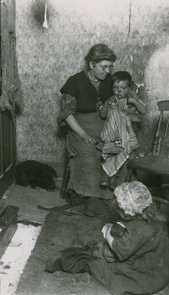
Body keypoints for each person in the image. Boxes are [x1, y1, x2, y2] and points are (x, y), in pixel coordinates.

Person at [45, 181, 169, 295]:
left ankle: (65, 260)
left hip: (142, 277)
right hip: (158, 272)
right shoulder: (151, 221)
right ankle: (88, 252)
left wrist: (107, 232)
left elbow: (121, 251)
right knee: (102, 250)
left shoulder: (137, 230)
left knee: (98, 262)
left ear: (127, 211)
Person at [58, 43, 116, 216]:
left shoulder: (110, 82)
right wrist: (83, 135)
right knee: (89, 152)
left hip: (103, 126)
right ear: (92, 65)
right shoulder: (74, 82)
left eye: (110, 67)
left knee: (118, 148)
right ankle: (92, 200)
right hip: (79, 127)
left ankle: (109, 197)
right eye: (104, 67)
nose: (108, 71)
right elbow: (67, 114)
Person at [99, 71, 147, 190]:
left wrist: (134, 102)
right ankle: (107, 177)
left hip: (128, 136)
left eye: (123, 88)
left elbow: (143, 111)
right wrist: (107, 105)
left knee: (126, 155)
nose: (119, 91)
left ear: (129, 88)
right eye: (115, 88)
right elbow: (102, 115)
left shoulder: (131, 99)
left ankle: (119, 183)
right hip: (113, 135)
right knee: (109, 153)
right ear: (112, 88)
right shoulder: (111, 99)